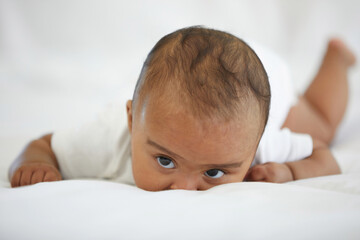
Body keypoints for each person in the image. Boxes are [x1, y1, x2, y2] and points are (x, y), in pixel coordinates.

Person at [8, 26, 356, 190]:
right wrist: (35, 163)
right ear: (131, 121)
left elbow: (325, 156)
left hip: (263, 83)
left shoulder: (249, 143)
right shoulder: (107, 139)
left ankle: (337, 58)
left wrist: (292, 172)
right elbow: (43, 145)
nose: (183, 190)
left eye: (214, 173)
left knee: (320, 123)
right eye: (165, 160)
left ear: (254, 145)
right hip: (205, 78)